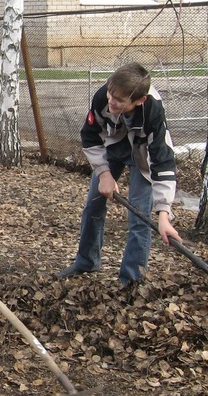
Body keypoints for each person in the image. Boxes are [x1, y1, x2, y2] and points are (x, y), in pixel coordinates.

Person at [56, 62, 182, 285]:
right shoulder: (103, 97)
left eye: (119, 101)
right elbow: (90, 137)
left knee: (140, 216)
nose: (111, 102)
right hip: (113, 148)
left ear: (139, 101)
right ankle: (87, 261)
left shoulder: (152, 111)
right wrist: (104, 174)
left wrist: (163, 213)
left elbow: (162, 162)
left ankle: (131, 281)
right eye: (110, 95)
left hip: (142, 155)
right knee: (93, 204)